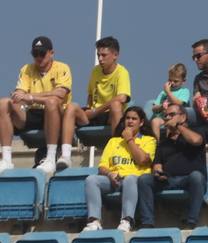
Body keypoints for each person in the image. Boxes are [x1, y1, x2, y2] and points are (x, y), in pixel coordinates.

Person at [0, 36, 72, 174]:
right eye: (35, 54)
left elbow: (60, 94)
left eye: (42, 53)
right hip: (32, 112)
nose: (39, 57)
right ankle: (6, 159)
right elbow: (20, 93)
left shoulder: (62, 68)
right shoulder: (26, 69)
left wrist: (32, 97)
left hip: (56, 114)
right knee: (4, 103)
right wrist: (19, 96)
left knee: (52, 102)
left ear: (51, 53)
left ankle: (50, 158)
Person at [60, 36, 132, 169]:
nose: (100, 58)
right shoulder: (95, 71)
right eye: (98, 55)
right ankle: (65, 156)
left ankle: (117, 153)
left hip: (110, 116)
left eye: (104, 55)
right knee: (71, 107)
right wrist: (90, 110)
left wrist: (95, 111)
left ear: (115, 55)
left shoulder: (122, 72)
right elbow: (90, 95)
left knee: (116, 106)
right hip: (93, 115)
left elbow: (122, 98)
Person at [135, 99, 207, 229]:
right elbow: (157, 165)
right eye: (166, 115)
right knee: (144, 179)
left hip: (189, 179)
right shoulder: (163, 142)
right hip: (168, 180)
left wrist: (178, 126)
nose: (167, 118)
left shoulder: (196, 131)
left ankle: (191, 222)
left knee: (197, 177)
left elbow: (196, 141)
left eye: (171, 115)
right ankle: (147, 222)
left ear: (183, 117)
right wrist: (158, 173)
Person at [84, 105, 155, 232]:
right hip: (114, 179)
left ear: (141, 122)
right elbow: (102, 166)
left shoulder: (149, 140)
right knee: (91, 180)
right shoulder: (114, 141)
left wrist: (129, 139)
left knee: (130, 179)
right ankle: (94, 221)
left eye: (134, 119)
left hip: (134, 180)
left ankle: (127, 220)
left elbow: (142, 160)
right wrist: (109, 174)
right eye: (127, 118)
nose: (130, 121)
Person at [149, 62, 191, 136]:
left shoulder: (185, 91)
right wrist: (161, 106)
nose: (172, 83)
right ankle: (157, 142)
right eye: (170, 80)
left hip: (177, 119)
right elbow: (154, 108)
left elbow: (179, 103)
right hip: (163, 118)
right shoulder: (163, 92)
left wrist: (168, 92)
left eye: (175, 81)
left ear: (183, 81)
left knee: (171, 123)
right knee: (155, 121)